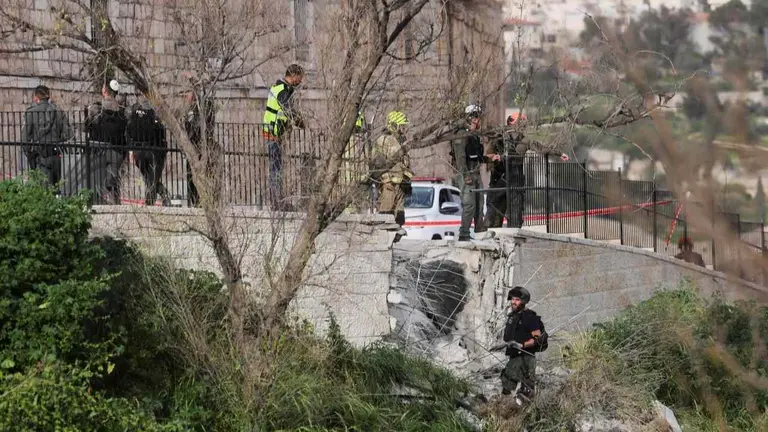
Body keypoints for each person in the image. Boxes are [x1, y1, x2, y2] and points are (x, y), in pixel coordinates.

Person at [487, 113, 570, 228]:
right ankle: (497, 232)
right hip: (502, 177)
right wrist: (494, 158)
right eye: (521, 121)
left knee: (509, 209)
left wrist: (559, 153)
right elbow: (487, 155)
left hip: (511, 178)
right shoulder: (501, 138)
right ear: (513, 122)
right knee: (499, 209)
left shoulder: (522, 140)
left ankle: (502, 232)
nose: (523, 124)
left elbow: (540, 147)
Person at [450, 104, 497, 241]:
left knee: (479, 202)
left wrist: (490, 158)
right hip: (467, 172)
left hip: (475, 171)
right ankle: (464, 233)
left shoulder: (474, 135)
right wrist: (466, 175)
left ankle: (480, 229)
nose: (479, 120)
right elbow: (460, 157)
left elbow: (476, 155)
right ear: (472, 118)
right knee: (469, 204)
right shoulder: (461, 134)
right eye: (477, 116)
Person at [262, 64, 305, 211]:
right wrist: (300, 121)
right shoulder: (282, 91)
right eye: (300, 78)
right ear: (293, 76)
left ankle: (277, 199)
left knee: (277, 167)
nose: (301, 81)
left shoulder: (279, 88)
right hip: (274, 134)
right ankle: (277, 201)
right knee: (276, 169)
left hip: (274, 133)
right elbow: (288, 111)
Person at [495, 286, 546, 406]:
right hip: (515, 358)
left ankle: (523, 418)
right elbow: (512, 339)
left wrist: (522, 345)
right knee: (507, 385)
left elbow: (538, 338)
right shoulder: (513, 317)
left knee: (526, 393)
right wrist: (503, 345)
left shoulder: (529, 317)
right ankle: (505, 414)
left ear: (523, 301)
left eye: (517, 299)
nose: (513, 302)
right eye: (512, 299)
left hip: (526, 358)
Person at [21, 85, 71, 189]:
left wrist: (29, 154)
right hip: (57, 156)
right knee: (59, 190)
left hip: (40, 157)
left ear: (36, 98)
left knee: (44, 193)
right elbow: (68, 135)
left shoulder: (31, 112)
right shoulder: (59, 111)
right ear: (48, 97)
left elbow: (24, 138)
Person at [86, 79, 128, 204]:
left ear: (104, 91)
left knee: (99, 178)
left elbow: (88, 126)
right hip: (118, 150)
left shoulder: (96, 108)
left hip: (100, 149)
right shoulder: (122, 110)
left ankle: (99, 201)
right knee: (113, 177)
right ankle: (116, 202)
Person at [370, 111, 413, 232]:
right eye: (402, 126)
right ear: (394, 125)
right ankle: (382, 238)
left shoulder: (401, 141)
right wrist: (385, 180)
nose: (404, 129)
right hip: (389, 184)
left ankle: (395, 236)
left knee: (399, 215)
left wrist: (407, 181)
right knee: (385, 214)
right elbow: (378, 164)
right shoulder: (382, 141)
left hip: (401, 184)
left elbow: (405, 163)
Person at [126, 96, 172, 206]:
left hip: (139, 149)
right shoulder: (155, 110)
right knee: (151, 178)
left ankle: (152, 201)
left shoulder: (133, 110)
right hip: (153, 150)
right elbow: (161, 132)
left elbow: (128, 131)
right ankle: (158, 196)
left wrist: (131, 149)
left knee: (149, 178)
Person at [182, 90, 215, 207]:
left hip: (197, 149)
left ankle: (198, 202)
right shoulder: (190, 110)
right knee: (190, 178)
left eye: (188, 93)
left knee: (197, 178)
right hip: (192, 149)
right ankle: (194, 202)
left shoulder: (200, 109)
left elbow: (196, 129)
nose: (186, 96)